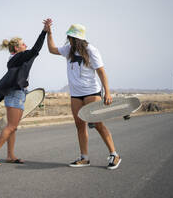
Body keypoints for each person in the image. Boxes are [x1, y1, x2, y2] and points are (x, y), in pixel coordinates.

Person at [46, 19, 121, 170]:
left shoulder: (91, 50)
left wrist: (107, 92)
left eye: (71, 37)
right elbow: (52, 49)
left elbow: (101, 72)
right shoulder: (68, 49)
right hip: (75, 94)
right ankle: (84, 158)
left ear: (77, 38)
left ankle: (114, 154)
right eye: (69, 37)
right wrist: (49, 32)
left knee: (98, 124)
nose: (68, 39)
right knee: (80, 125)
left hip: (91, 92)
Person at [0, 20, 50, 166]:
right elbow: (35, 50)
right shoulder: (16, 58)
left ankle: (10, 155)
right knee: (11, 126)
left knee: (13, 127)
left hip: (19, 93)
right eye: (23, 44)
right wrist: (44, 32)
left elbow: (33, 53)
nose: (26, 46)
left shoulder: (17, 58)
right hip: (16, 94)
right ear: (16, 48)